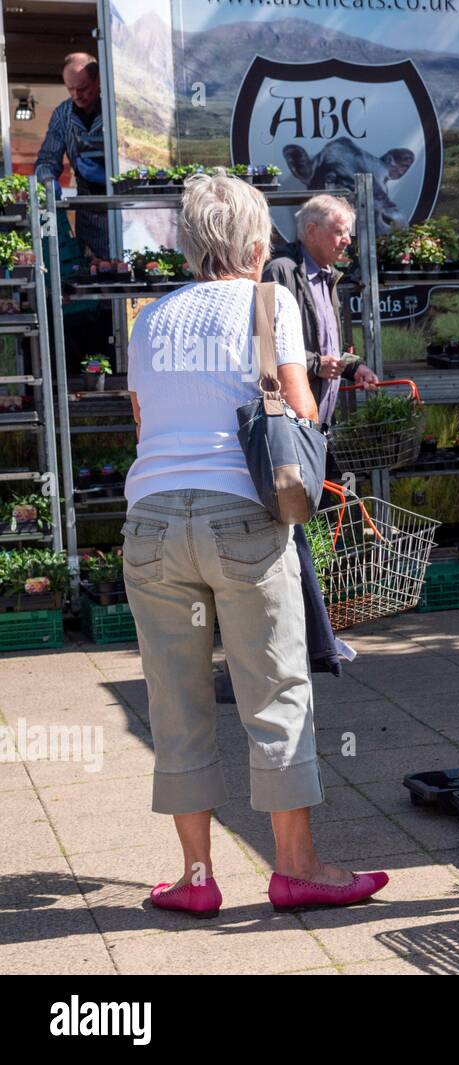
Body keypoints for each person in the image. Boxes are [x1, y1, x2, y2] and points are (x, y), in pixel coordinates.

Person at [125, 171, 387, 918]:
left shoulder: (151, 318)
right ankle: (296, 866)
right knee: (274, 691)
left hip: (150, 523)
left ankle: (195, 875)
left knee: (175, 702)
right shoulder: (269, 304)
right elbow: (299, 408)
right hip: (240, 517)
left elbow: (147, 424)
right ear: (250, 243)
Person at [264, 194, 378, 429]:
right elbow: (263, 346)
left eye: (349, 233)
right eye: (339, 232)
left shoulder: (328, 276)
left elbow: (328, 346)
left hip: (319, 424)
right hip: (289, 424)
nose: (348, 240)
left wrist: (355, 367)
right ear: (312, 230)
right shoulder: (278, 272)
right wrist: (316, 364)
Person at [35, 53, 108, 260]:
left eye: (82, 88)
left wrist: (109, 174)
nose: (76, 95)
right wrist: (48, 181)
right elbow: (47, 158)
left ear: (97, 80)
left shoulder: (115, 108)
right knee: (94, 271)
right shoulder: (62, 114)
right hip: (88, 209)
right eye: (70, 89)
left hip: (125, 210)